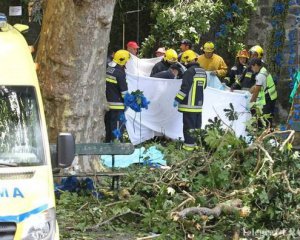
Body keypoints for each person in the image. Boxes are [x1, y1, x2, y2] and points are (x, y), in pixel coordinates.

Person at [174, 50, 207, 151]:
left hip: (189, 106)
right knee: (196, 127)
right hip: (198, 106)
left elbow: (185, 88)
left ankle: (188, 147)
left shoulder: (189, 72)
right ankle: (195, 145)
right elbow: (204, 86)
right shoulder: (202, 71)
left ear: (186, 61)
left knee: (188, 127)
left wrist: (177, 99)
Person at [105, 50, 131, 142]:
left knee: (109, 127)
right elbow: (124, 92)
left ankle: (108, 146)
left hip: (107, 105)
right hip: (117, 106)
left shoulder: (108, 68)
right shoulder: (119, 73)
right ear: (122, 60)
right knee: (117, 128)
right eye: (126, 61)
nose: (127, 62)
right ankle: (117, 147)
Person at [249, 58, 277, 128]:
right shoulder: (263, 70)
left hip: (268, 97)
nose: (252, 69)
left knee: (265, 116)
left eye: (252, 67)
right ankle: (268, 130)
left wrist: (251, 103)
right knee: (269, 115)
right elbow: (256, 85)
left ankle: (267, 133)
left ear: (255, 65)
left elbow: (256, 91)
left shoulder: (260, 75)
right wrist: (248, 92)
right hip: (272, 95)